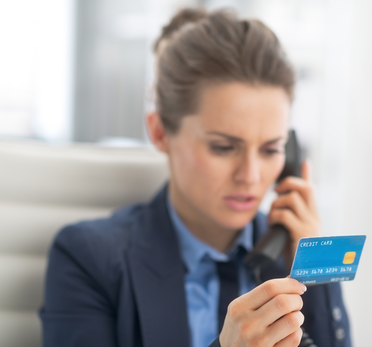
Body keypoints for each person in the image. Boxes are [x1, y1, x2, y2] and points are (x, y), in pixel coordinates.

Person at [40, 8, 351, 347]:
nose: (250, 176)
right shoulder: (87, 257)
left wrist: (315, 272)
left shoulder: (292, 253)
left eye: (270, 149)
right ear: (160, 132)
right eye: (223, 147)